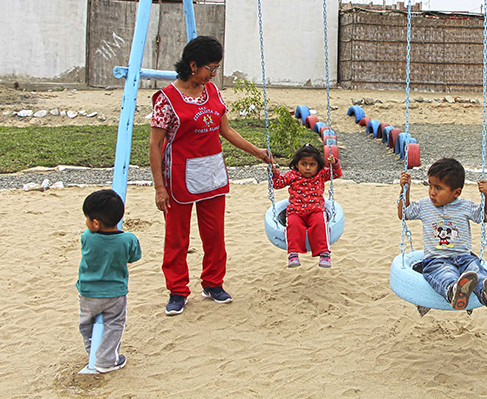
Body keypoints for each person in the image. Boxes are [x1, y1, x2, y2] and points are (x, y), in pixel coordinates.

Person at [149, 36, 271, 316]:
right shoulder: (166, 99)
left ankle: (213, 283)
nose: (213, 74)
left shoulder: (213, 92)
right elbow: (155, 145)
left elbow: (225, 131)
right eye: (210, 68)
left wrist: (258, 152)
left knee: (214, 234)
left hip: (212, 173)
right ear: (193, 65)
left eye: (216, 68)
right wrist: (159, 187)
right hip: (178, 177)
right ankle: (178, 290)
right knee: (177, 237)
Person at [398, 158, 487, 313]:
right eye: (430, 185)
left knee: (476, 270)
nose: (432, 192)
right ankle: (454, 291)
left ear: (456, 193)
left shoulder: (465, 206)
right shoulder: (424, 205)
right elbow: (404, 214)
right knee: (445, 274)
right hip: (437, 259)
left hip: (464, 257)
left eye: (438, 188)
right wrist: (405, 190)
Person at [76, 189, 141, 373]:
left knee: (86, 324)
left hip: (88, 292)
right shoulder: (127, 239)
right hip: (115, 293)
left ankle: (92, 353)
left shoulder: (87, 237)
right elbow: (133, 257)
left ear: (96, 223)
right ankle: (105, 360)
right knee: (114, 324)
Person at [271, 144, 342, 268]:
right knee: (293, 225)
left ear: (318, 165)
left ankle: (324, 253)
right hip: (295, 211)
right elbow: (278, 184)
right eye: (304, 164)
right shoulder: (291, 175)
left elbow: (335, 174)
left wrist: (334, 163)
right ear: (297, 164)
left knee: (320, 224)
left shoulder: (320, 175)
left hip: (316, 211)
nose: (308, 168)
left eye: (312, 165)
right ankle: (293, 254)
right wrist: (274, 173)